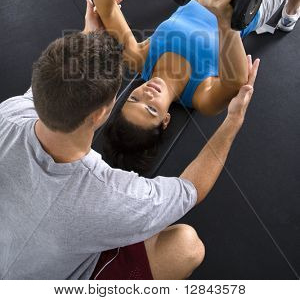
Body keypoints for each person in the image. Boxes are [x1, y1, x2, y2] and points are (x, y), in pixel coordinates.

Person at [0, 19, 259, 279]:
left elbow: (42, 89)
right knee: (186, 246)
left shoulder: (9, 114)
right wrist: (233, 119)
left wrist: (88, 41)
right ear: (101, 114)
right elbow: (190, 190)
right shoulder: (111, 196)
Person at [91, 0, 300, 173]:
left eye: (134, 99)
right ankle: (290, 14)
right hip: (250, 5)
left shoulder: (140, 61)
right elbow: (236, 81)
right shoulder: (201, 97)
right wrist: (226, 23)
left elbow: (105, 7)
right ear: (165, 120)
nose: (146, 95)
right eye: (151, 110)